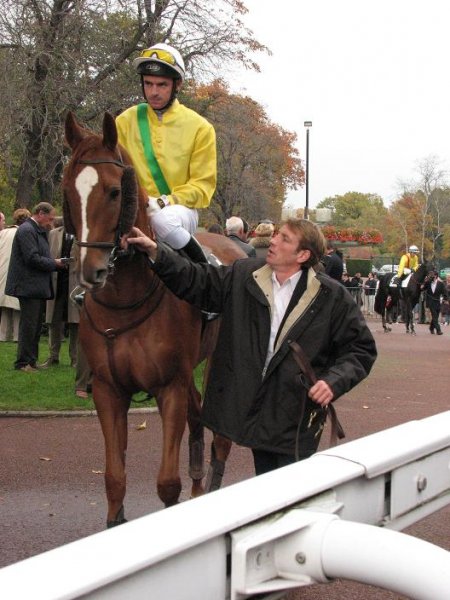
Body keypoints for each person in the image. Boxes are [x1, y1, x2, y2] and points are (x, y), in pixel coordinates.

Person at [122, 218, 377, 475]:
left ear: (303, 254)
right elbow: (197, 280)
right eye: (277, 234)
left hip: (296, 411)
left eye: (285, 238)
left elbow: (361, 349)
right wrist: (155, 251)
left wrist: (333, 381)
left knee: (293, 493)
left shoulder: (331, 296)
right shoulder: (244, 274)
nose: (273, 241)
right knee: (268, 486)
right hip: (260, 410)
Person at [116, 43, 216, 263]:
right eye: (148, 83)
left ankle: (204, 269)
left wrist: (164, 202)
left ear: (177, 84)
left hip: (178, 211)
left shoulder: (201, 127)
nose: (153, 92)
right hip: (132, 208)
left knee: (162, 221)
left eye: (161, 85)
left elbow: (203, 187)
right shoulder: (124, 121)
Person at [5, 202, 66, 372]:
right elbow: (32, 258)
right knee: (29, 326)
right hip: (27, 286)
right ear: (40, 213)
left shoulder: (37, 230)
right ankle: (23, 362)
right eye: (50, 219)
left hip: (36, 286)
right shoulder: (27, 230)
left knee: (36, 326)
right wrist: (54, 263)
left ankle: (31, 361)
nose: (51, 223)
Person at [40, 221, 78, 368]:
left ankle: (75, 359)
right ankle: (53, 356)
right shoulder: (53, 234)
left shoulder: (83, 234)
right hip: (57, 284)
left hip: (75, 285)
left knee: (76, 323)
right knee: (54, 321)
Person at [0, 209, 31, 341]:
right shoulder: (24, 233)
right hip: (17, 273)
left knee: (6, 308)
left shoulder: (3, 232)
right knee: (18, 308)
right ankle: (17, 336)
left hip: (2, 272)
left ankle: (3, 335)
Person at [421, 270, 447, 335]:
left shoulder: (441, 284)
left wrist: (445, 299)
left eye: (432, 275)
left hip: (437, 302)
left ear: (436, 276)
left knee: (435, 316)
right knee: (435, 316)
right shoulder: (428, 283)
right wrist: (423, 284)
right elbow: (422, 288)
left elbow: (444, 292)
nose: (431, 277)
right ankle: (438, 330)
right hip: (430, 302)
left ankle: (431, 328)